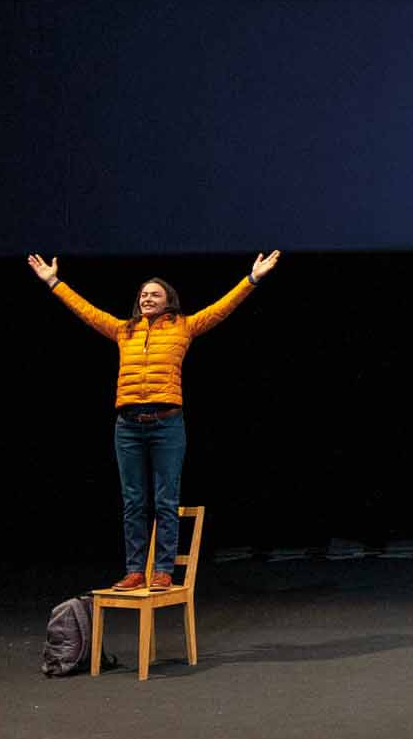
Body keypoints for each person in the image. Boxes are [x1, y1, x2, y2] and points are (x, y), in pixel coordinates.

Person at [26, 250, 281, 589]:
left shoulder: (184, 327)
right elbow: (86, 311)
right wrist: (53, 282)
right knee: (133, 500)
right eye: (143, 295)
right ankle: (135, 570)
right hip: (128, 426)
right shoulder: (123, 331)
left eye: (154, 294)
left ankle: (162, 570)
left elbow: (222, 308)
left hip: (166, 424)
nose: (147, 298)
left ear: (168, 301)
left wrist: (252, 279)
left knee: (165, 499)